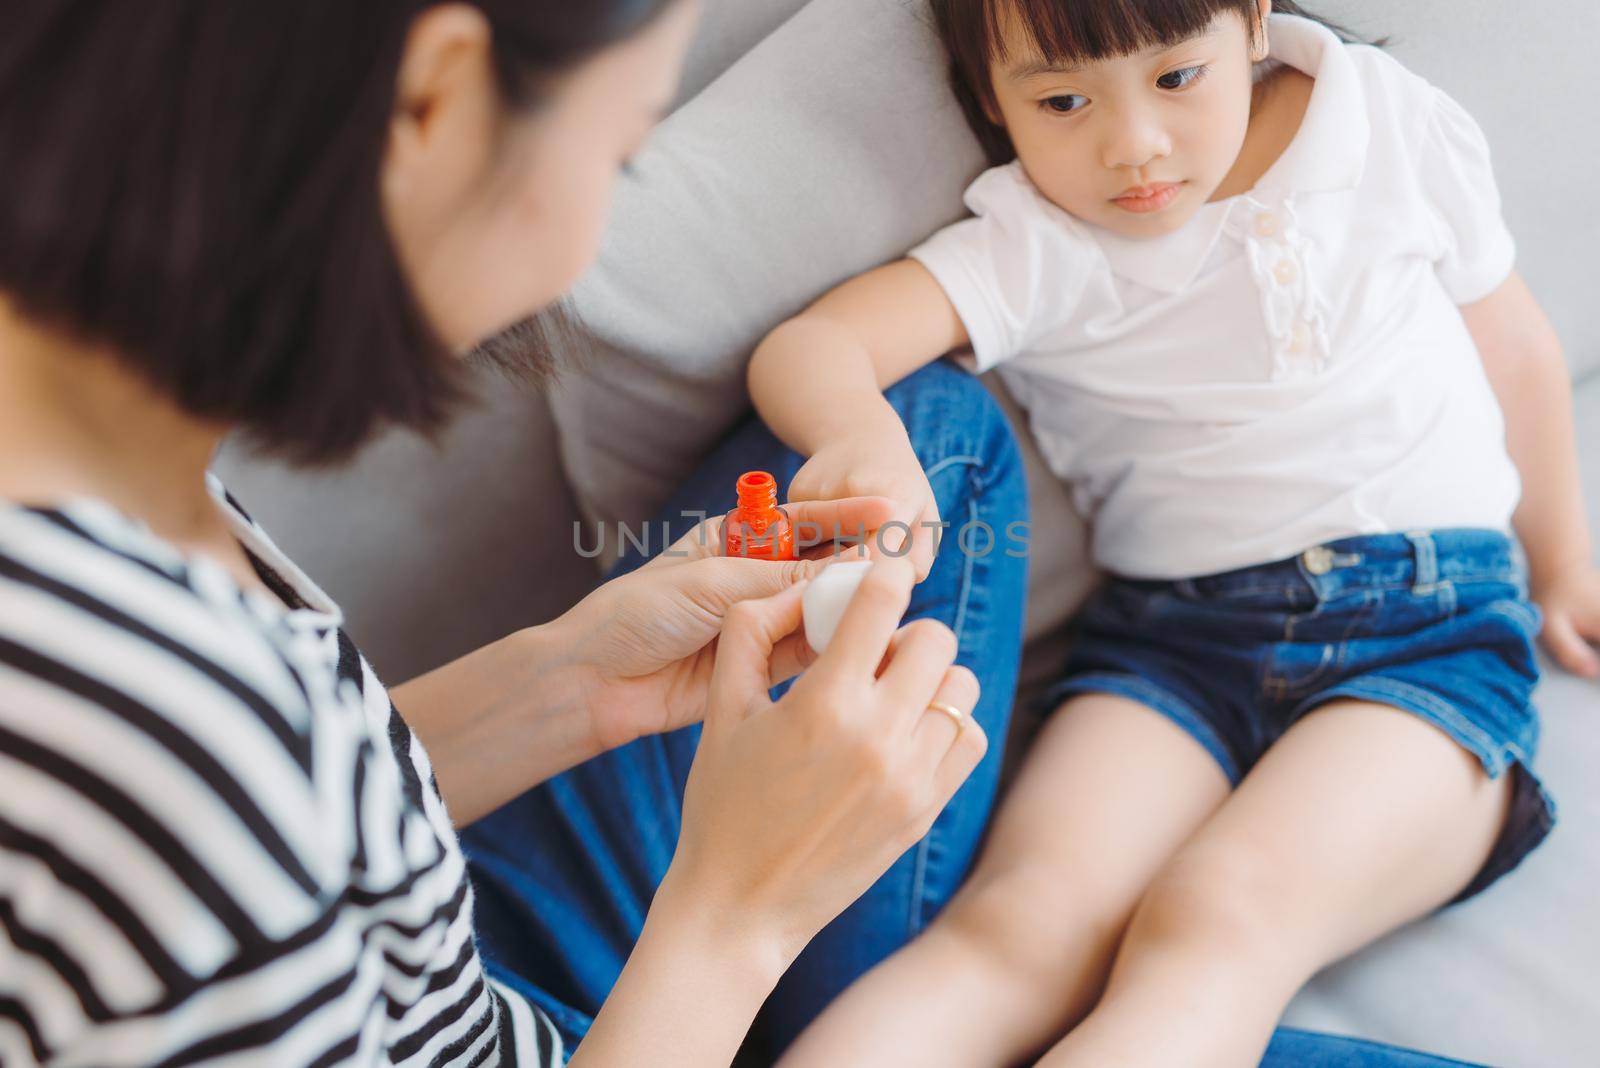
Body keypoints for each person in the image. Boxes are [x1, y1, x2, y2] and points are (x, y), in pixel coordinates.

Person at [0, 2, 1017, 1065]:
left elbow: (291, 842)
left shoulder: (92, 478)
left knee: (931, 432)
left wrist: (571, 679)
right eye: (619, 155)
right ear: (432, 99)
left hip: (435, 967)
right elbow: (232, 815)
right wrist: (739, 917)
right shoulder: (163, 761)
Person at [746, 1, 1599, 1065]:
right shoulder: (1035, 243)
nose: (1132, 147)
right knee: (1017, 929)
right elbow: (812, 345)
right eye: (1061, 100)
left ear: (1247, 22)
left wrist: (1563, 557)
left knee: (1215, 921)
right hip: (1172, 648)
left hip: (1430, 635)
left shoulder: (1375, 117)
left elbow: (1508, 336)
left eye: (1176, 80)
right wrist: (861, 436)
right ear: (989, 101)